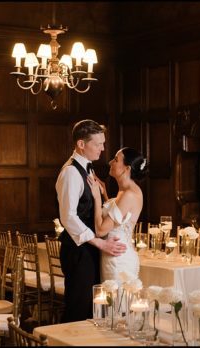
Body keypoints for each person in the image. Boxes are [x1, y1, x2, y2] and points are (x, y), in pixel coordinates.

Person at [56, 119, 127, 323]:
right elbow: (68, 216)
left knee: (91, 309)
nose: (103, 149)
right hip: (78, 251)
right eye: (98, 144)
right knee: (77, 310)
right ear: (81, 144)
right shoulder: (70, 172)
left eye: (103, 143)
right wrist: (100, 243)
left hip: (89, 250)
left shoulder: (87, 168)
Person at [87, 147, 148, 282]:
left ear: (127, 169)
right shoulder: (125, 190)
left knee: (117, 301)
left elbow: (101, 230)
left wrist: (97, 198)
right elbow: (118, 217)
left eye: (115, 160)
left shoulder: (129, 194)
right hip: (113, 255)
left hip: (118, 259)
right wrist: (104, 193)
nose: (110, 162)